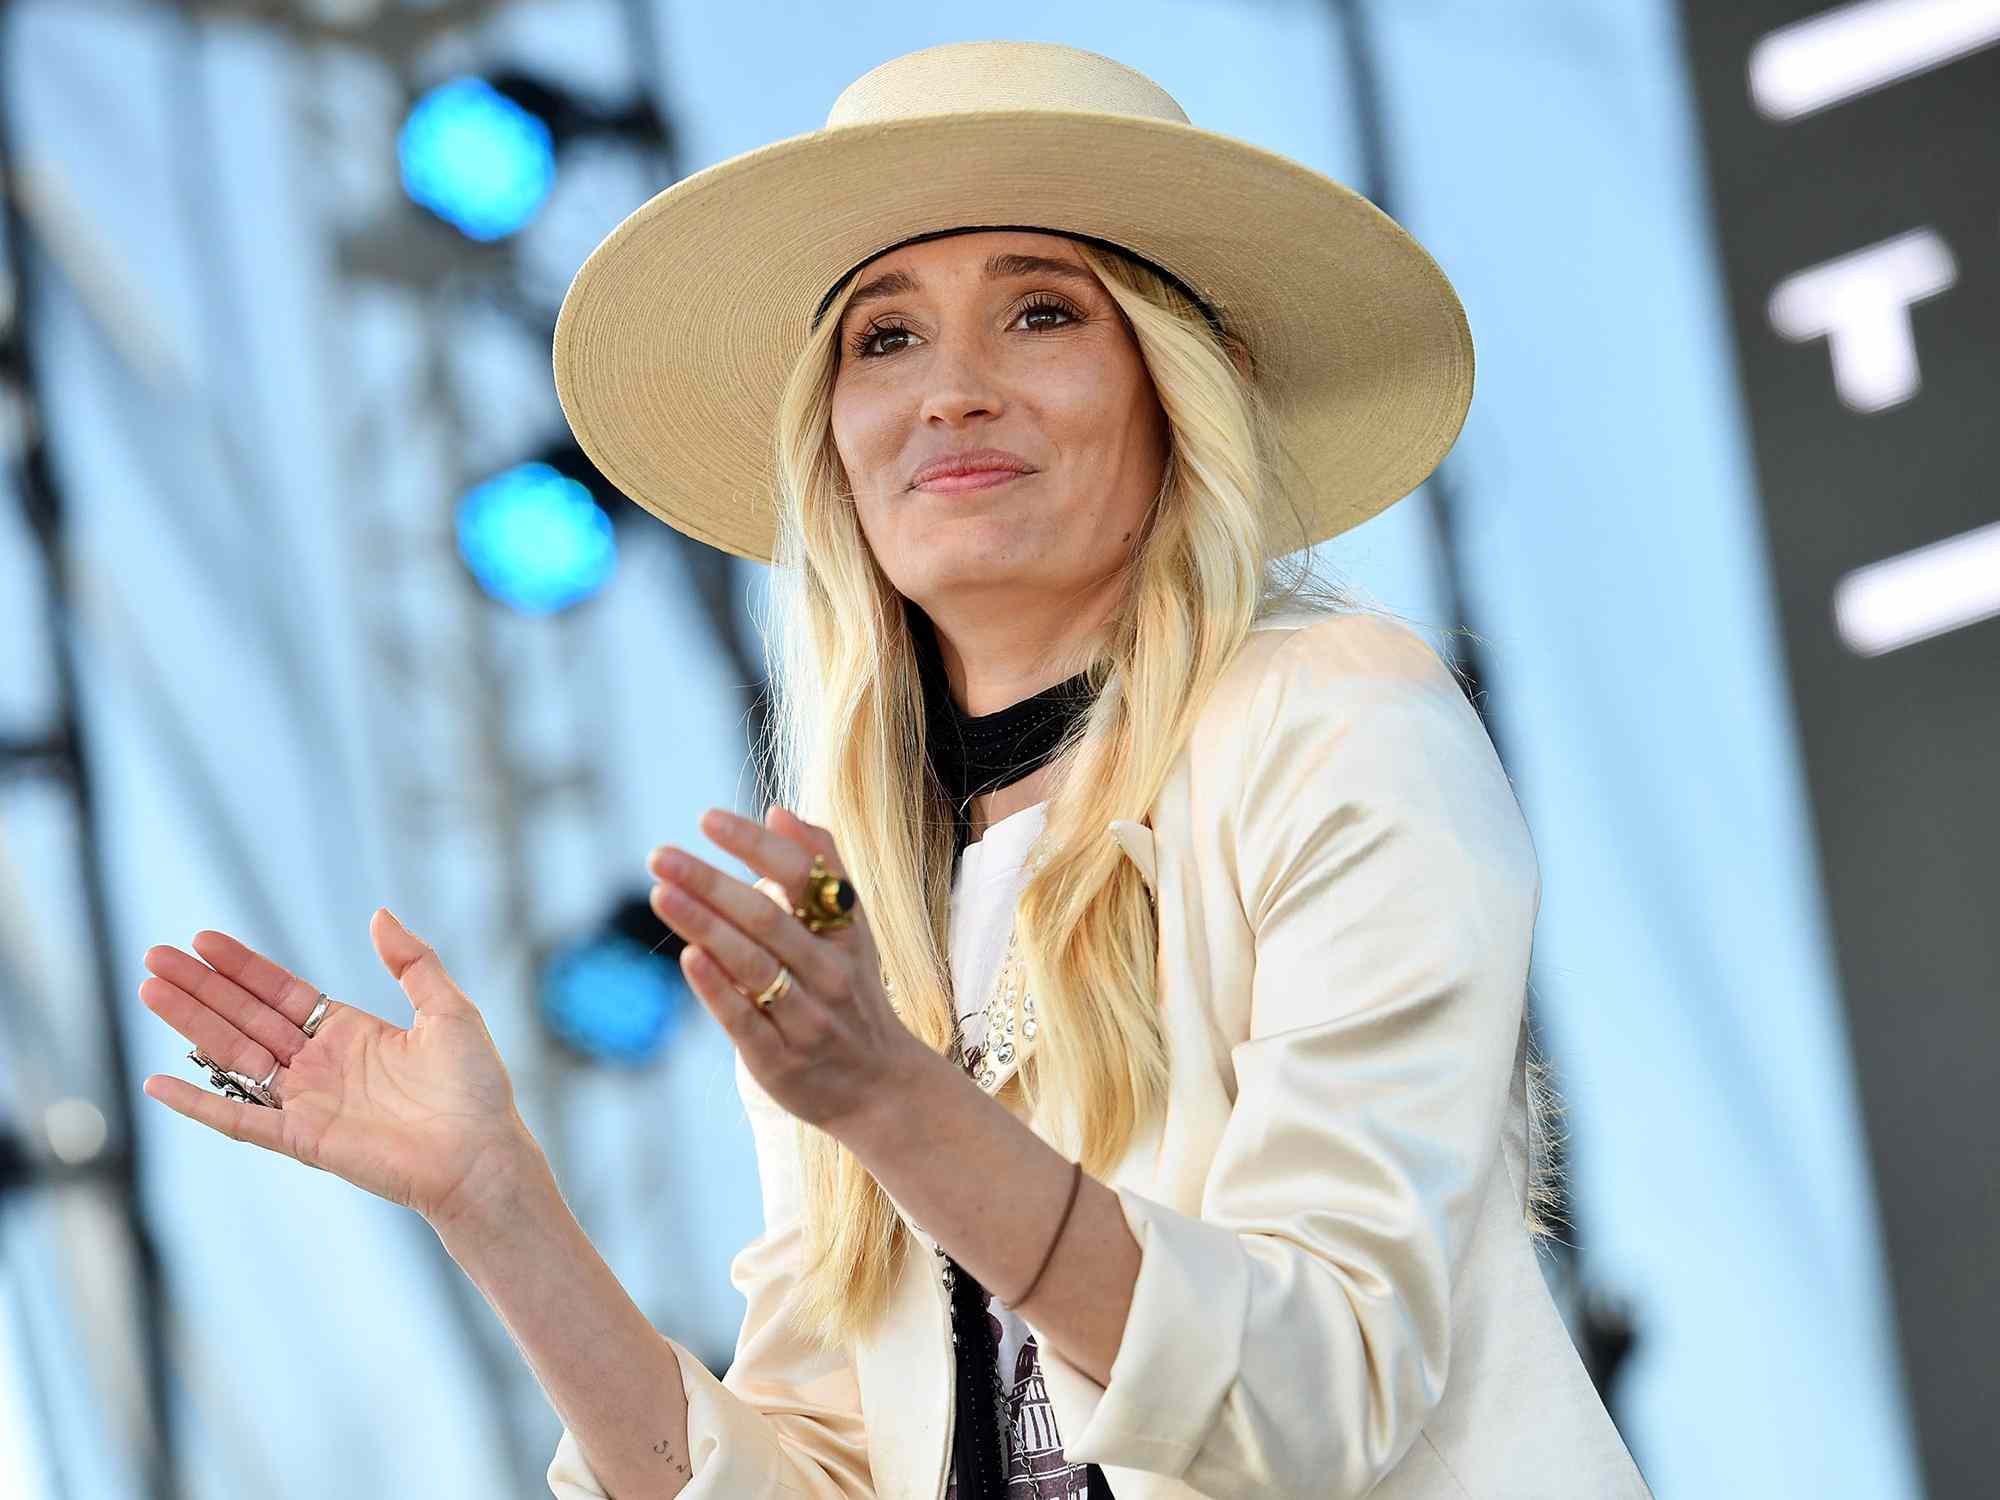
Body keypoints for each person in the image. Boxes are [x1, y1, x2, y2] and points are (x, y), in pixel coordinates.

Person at [138, 39, 1657, 1500]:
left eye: (1042, 314)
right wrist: (496, 1205)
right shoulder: (853, 879)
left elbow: (1328, 1389)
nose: (952, 392)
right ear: (835, 443)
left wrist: (897, 1104)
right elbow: (819, 1473)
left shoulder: (1334, 716)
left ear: (1178, 383)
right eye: (886, 336)